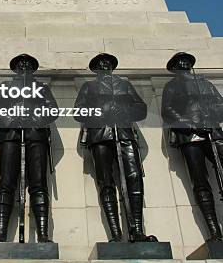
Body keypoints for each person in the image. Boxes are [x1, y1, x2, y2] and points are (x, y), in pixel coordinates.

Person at [74, 52, 156, 242]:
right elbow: (78, 111)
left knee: (133, 177)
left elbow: (141, 108)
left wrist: (125, 110)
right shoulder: (89, 86)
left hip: (124, 133)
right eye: (100, 63)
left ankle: (136, 230)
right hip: (100, 134)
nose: (104, 65)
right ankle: (115, 234)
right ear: (95, 68)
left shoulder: (124, 85)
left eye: (108, 62)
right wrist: (101, 112)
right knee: (106, 181)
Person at [0, 54, 58, 243]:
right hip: (10, 134)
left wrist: (35, 118)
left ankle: (43, 234)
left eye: (28, 64)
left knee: (38, 183)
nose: (24, 67)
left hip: (36, 134)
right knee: (6, 182)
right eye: (21, 64)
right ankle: (1, 234)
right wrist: (10, 119)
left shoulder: (42, 88)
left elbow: (53, 110)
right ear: (15, 68)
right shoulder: (5, 87)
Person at [162, 52, 223, 241]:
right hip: (190, 136)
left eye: (186, 61)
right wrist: (190, 124)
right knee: (200, 181)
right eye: (179, 62)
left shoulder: (205, 83)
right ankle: (214, 232)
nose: (183, 63)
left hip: (213, 132)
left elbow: (220, 104)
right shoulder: (172, 86)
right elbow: (168, 110)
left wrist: (212, 115)